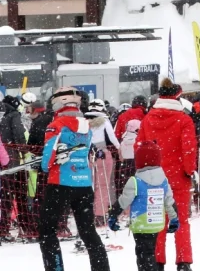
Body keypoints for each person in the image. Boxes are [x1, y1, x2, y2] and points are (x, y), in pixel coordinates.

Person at [38, 87, 110, 271]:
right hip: (84, 183)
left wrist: (44, 164)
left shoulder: (57, 124)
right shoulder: (86, 124)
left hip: (60, 183)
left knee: (47, 231)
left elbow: (48, 159)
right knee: (88, 231)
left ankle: (55, 268)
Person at [136, 79, 199, 271]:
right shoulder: (184, 120)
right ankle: (183, 262)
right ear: (177, 96)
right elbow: (188, 149)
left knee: (157, 221)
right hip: (178, 177)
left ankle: (157, 261)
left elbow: (139, 147)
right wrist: (190, 171)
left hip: (153, 178)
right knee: (180, 220)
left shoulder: (148, 119)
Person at [108, 140, 179, 271]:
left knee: (143, 255)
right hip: (156, 222)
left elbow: (124, 201)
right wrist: (174, 218)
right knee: (149, 251)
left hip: (141, 224)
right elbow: (169, 201)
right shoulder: (163, 180)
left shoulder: (135, 181)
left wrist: (113, 215)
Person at [85, 100, 121, 227]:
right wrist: (119, 149)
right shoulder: (104, 121)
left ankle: (88, 213)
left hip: (87, 155)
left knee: (90, 185)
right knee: (103, 185)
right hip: (103, 153)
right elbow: (112, 138)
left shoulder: (84, 122)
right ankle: (100, 215)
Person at [0, 94, 27, 241]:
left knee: (6, 195)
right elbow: (18, 133)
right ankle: (12, 227)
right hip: (11, 158)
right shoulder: (13, 115)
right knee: (14, 194)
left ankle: (4, 228)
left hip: (5, 156)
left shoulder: (4, 115)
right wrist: (24, 150)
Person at [114, 97, 147, 197]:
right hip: (141, 151)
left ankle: (123, 198)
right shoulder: (146, 116)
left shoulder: (123, 116)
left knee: (124, 178)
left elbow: (117, 135)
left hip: (125, 152)